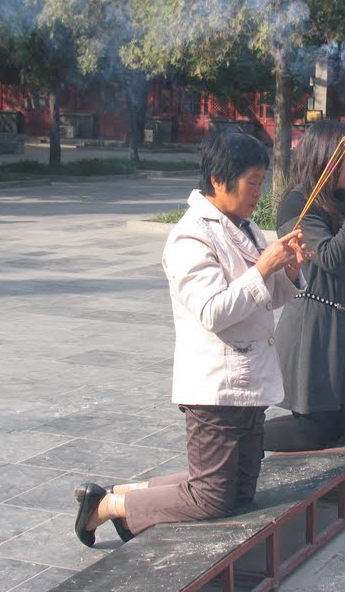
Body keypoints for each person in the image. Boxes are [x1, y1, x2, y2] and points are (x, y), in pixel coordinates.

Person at [73, 130, 310, 547]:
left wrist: (286, 269)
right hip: (214, 386)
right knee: (211, 499)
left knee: (238, 493)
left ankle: (130, 495)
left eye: (261, 181)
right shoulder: (190, 236)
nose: (259, 192)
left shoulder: (248, 229)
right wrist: (263, 268)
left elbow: (265, 298)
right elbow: (213, 311)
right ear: (220, 180)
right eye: (252, 182)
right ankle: (107, 507)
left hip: (251, 380)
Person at [263, 120, 345, 452]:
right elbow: (330, 257)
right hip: (311, 324)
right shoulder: (298, 203)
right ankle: (242, 440)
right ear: (323, 157)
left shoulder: (338, 199)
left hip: (339, 322)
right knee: (314, 432)